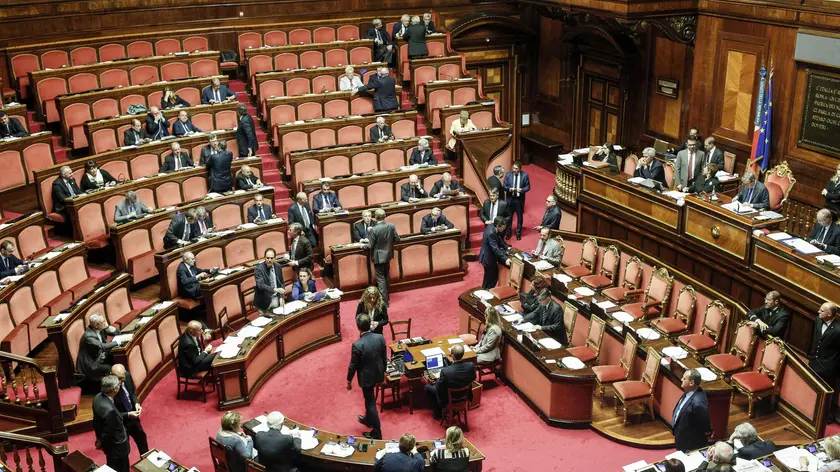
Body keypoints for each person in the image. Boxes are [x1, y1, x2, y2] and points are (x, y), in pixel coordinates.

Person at [346, 313, 387, 439]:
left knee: (370, 402)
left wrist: (349, 380)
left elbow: (353, 365)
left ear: (358, 327)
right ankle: (368, 419)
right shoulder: (380, 338)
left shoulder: (357, 345)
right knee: (369, 400)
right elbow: (384, 357)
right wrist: (384, 372)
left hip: (367, 378)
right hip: (379, 373)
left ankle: (376, 431)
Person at [425, 344, 476, 419]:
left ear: (452, 355)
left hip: (449, 398)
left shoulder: (446, 371)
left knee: (427, 387)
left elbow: (439, 388)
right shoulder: (470, 366)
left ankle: (438, 412)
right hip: (464, 395)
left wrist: (436, 381)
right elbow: (473, 378)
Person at [93, 375, 130, 472]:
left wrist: (99, 438)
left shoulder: (97, 398)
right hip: (117, 448)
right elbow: (108, 431)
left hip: (110, 447)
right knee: (121, 468)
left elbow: (96, 422)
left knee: (112, 466)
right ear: (115, 389)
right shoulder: (110, 411)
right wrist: (101, 442)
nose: (120, 385)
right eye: (118, 384)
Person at [110, 364, 148, 455]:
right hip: (120, 421)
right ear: (111, 375)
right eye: (118, 378)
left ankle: (146, 462)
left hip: (132, 416)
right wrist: (128, 414)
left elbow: (132, 393)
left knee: (141, 438)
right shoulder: (108, 386)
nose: (121, 381)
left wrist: (136, 403)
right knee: (124, 449)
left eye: (122, 377)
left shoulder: (127, 375)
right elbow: (112, 412)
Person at [672, 368, 712, 452]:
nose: (681, 379)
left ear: (691, 382)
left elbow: (705, 422)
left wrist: (708, 431)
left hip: (689, 442)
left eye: (684, 378)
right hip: (681, 436)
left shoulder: (698, 403)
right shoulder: (690, 391)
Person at [809, 303, 840, 410]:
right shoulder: (818, 320)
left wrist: (832, 366)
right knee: (812, 391)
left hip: (827, 368)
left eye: (822, 311)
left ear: (829, 314)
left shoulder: (838, 330)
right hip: (814, 363)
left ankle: (828, 415)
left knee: (827, 395)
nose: (818, 312)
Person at [76, 314, 123, 382]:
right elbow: (103, 346)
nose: (104, 323)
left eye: (104, 321)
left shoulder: (100, 328)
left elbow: (118, 333)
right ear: (95, 325)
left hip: (100, 356)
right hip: (92, 364)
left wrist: (108, 327)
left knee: (119, 359)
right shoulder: (89, 336)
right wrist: (117, 342)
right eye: (102, 322)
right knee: (114, 369)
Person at [368, 209, 399, 305]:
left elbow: (370, 245)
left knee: (380, 278)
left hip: (378, 257)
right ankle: (387, 295)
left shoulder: (374, 229)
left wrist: (363, 245)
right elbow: (397, 239)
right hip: (388, 254)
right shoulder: (391, 226)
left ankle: (384, 302)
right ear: (385, 216)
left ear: (375, 217)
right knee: (386, 276)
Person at [479, 217, 510, 289]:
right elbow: (495, 248)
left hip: (489, 256)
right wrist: (505, 259)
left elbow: (498, 239)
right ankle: (485, 291)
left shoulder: (492, 226)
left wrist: (506, 247)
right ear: (497, 226)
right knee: (489, 278)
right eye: (503, 227)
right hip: (488, 258)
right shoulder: (491, 233)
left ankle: (488, 290)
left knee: (493, 276)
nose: (504, 229)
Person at [254, 248, 286, 316]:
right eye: (267, 258)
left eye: (271, 258)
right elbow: (260, 285)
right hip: (264, 302)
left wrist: (281, 297)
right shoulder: (258, 269)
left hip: (275, 299)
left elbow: (281, 282)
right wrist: (274, 289)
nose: (269, 260)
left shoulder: (278, 266)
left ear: (275, 258)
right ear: (264, 258)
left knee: (277, 320)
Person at [503, 161, 530, 240]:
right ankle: (509, 232)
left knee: (519, 217)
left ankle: (518, 232)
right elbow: (504, 186)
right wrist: (509, 189)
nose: (514, 170)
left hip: (519, 200)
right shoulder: (508, 175)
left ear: (520, 169)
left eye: (516, 168)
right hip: (510, 199)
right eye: (513, 168)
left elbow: (528, 187)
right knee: (509, 217)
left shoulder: (524, 176)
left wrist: (521, 190)